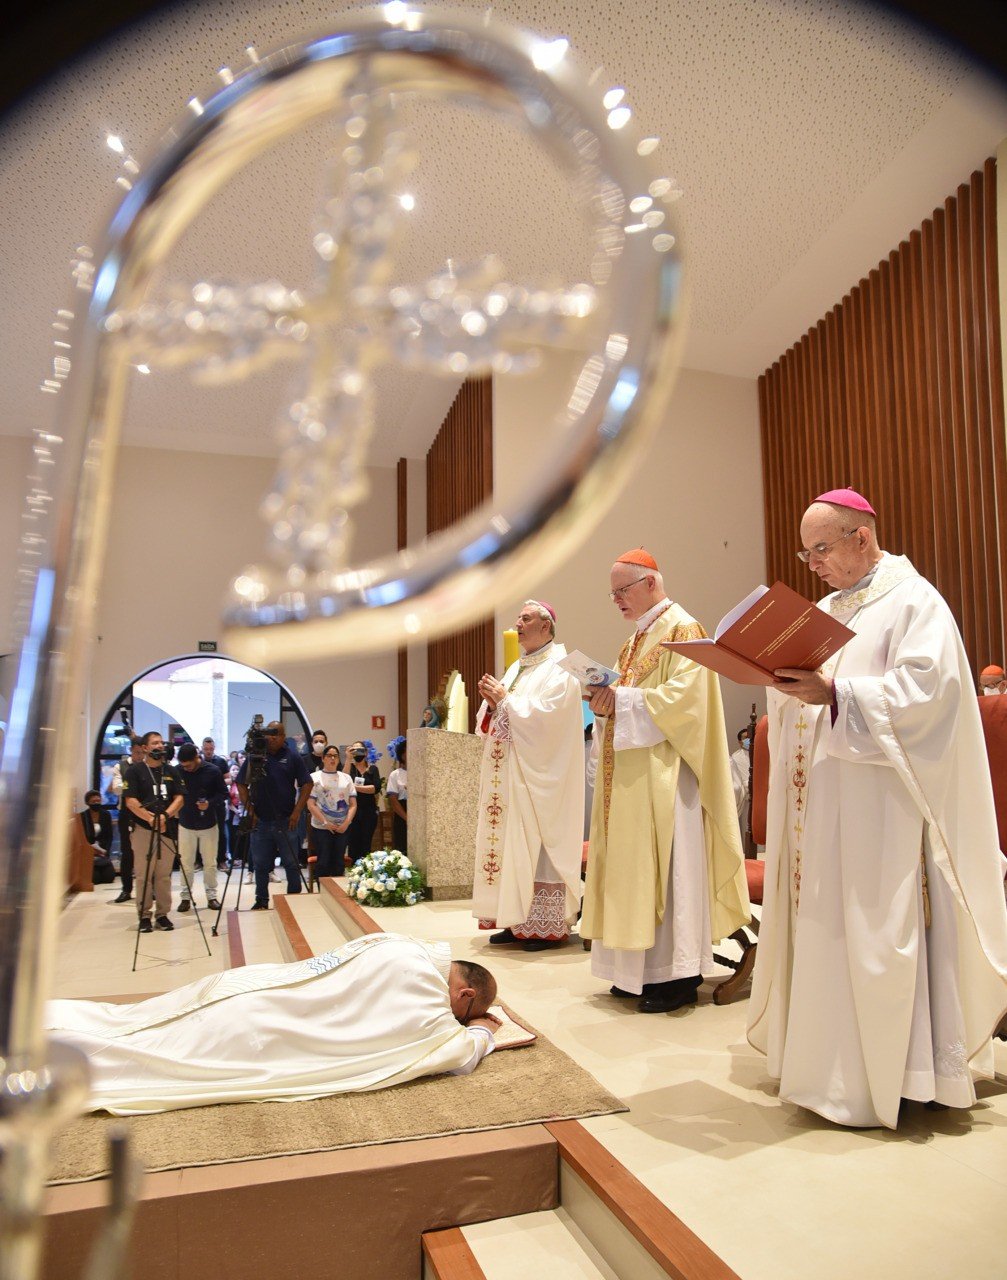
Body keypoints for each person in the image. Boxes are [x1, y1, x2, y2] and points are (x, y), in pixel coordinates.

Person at [748, 487, 1007, 1129]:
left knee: (875, 932)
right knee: (830, 932)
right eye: (806, 553)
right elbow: (803, 699)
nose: (813, 564)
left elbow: (928, 695)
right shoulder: (826, 610)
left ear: (861, 536)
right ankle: (829, 1071)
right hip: (827, 808)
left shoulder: (916, 601)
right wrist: (781, 688)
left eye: (821, 549)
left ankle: (905, 1074)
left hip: (886, 813)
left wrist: (834, 692)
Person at [44, 933, 500, 1115]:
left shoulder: (401, 944)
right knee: (151, 1057)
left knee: (135, 1020)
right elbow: (459, 1057)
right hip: (258, 1034)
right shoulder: (432, 1010)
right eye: (467, 1013)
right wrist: (483, 1031)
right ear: (463, 995)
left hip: (247, 986)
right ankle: (51, 1060)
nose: (458, 1022)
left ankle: (46, 1024)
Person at [582, 549, 750, 1012]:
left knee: (670, 873)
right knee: (630, 871)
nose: (616, 599)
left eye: (623, 590)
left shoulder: (684, 628)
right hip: (633, 776)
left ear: (651, 583)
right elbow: (626, 697)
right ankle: (633, 972)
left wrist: (624, 701)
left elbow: (687, 702)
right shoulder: (634, 640)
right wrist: (603, 703)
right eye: (612, 592)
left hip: (668, 779)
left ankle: (675, 977)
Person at [472, 601, 585, 952]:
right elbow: (494, 720)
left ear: (547, 626)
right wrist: (494, 705)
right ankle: (513, 917)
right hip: (509, 778)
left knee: (537, 847)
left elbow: (550, 722)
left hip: (541, 779)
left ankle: (541, 925)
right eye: (518, 618)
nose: (518, 623)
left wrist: (506, 702)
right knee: (508, 847)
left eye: (526, 618)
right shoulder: (517, 669)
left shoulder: (561, 670)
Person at [236, 721, 313, 910]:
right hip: (260, 821)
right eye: (269, 734)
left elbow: (307, 784)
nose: (272, 737)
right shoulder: (256, 756)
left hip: (287, 820)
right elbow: (240, 784)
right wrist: (251, 811)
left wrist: (297, 811)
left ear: (283, 736)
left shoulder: (292, 757)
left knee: (291, 864)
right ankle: (261, 900)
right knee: (261, 865)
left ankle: (293, 899)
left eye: (276, 734)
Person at [121, 731, 184, 933]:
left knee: (164, 875)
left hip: (167, 830)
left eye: (161, 743)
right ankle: (144, 916)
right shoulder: (135, 771)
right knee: (144, 875)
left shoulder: (172, 771)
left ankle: (163, 914)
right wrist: (150, 818)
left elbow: (180, 798)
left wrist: (165, 816)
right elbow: (130, 800)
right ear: (145, 748)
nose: (159, 746)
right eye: (154, 743)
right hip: (143, 829)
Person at [175, 743, 226, 911]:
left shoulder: (213, 770)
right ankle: (185, 897)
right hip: (186, 823)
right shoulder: (177, 771)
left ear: (197, 758)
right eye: (183, 766)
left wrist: (210, 803)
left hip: (208, 824)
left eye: (188, 765)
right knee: (186, 863)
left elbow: (223, 794)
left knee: (210, 863)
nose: (186, 769)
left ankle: (212, 896)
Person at [307, 744, 357, 877]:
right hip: (322, 827)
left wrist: (346, 823)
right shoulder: (314, 777)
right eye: (329, 755)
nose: (332, 758)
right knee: (323, 862)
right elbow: (311, 804)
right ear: (323, 758)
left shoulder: (346, 778)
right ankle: (322, 893)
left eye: (335, 755)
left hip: (343, 826)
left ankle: (337, 893)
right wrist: (325, 823)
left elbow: (353, 804)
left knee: (339, 862)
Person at [109, 736, 145, 903]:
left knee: (146, 853)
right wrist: (131, 785)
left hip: (144, 812)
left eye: (142, 753)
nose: (140, 756)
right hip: (126, 813)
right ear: (131, 750)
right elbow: (116, 788)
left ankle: (147, 889)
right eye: (137, 753)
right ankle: (126, 889)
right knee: (127, 852)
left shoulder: (148, 766)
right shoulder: (120, 766)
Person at [347, 741, 381, 864]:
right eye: (354, 750)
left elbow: (375, 788)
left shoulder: (372, 769)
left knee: (366, 842)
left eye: (360, 750)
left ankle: (365, 869)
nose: (358, 753)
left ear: (366, 752)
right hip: (353, 811)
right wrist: (348, 758)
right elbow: (344, 782)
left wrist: (354, 787)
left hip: (369, 811)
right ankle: (353, 871)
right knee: (353, 842)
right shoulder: (350, 768)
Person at [200, 737, 230, 868]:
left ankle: (221, 860)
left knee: (221, 831)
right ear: (202, 749)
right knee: (200, 830)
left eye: (210, 749)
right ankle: (199, 861)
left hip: (217, 801)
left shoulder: (221, 762)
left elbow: (229, 780)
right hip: (202, 801)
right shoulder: (198, 762)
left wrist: (218, 783)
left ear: (214, 748)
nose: (208, 751)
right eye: (206, 749)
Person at [386, 741, 408, 855]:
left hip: (419, 812)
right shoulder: (395, 774)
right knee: (402, 848)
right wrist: (407, 818)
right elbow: (393, 800)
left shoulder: (422, 772)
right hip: (402, 813)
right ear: (402, 754)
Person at [729, 727, 753, 827]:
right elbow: (737, 780)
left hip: (759, 796)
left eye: (750, 737)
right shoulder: (735, 757)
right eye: (746, 738)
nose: (749, 740)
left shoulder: (759, 754)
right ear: (740, 742)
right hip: (745, 799)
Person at [79, 789, 113, 855]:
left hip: (103, 849)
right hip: (88, 849)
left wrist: (106, 850)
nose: (96, 803)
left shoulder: (106, 814)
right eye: (93, 802)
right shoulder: (83, 816)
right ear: (87, 802)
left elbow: (109, 836)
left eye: (98, 801)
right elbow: (82, 837)